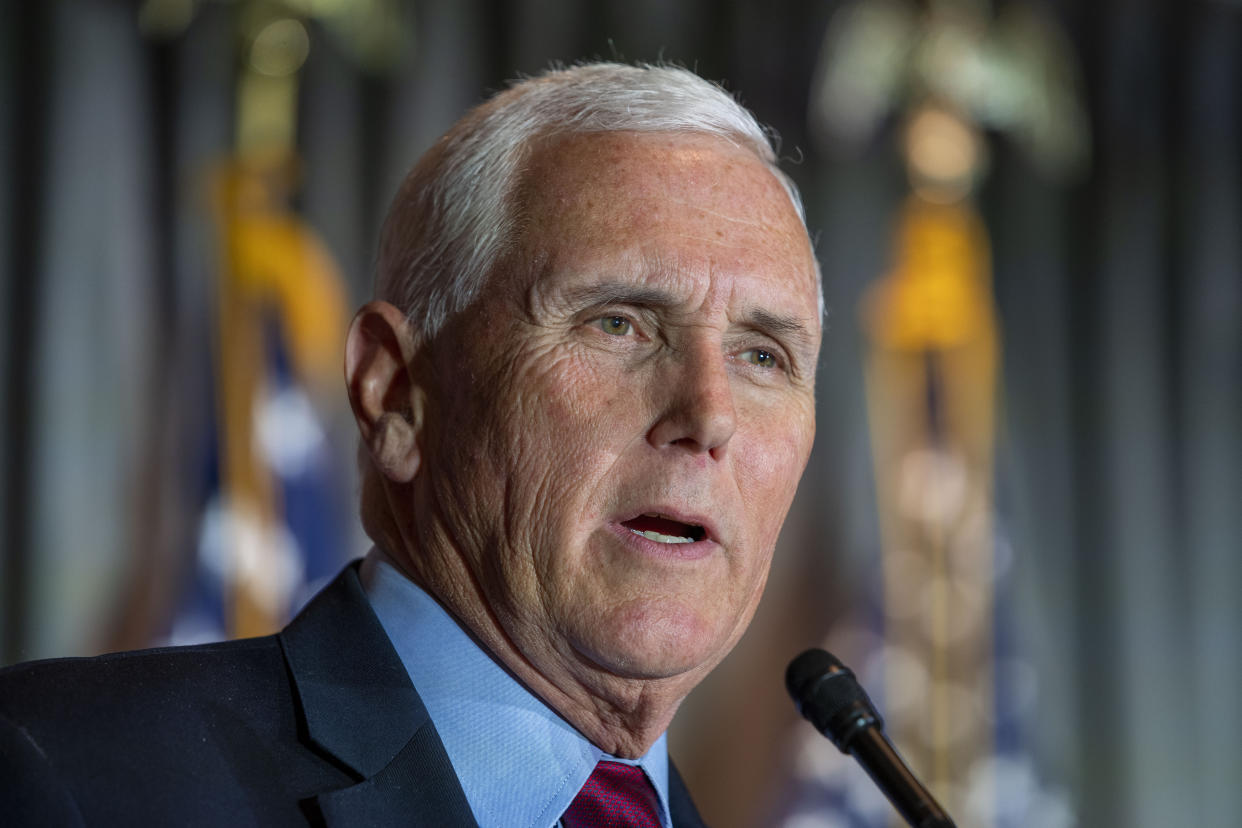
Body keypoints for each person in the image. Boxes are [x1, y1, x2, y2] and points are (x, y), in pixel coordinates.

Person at [0, 62, 823, 827]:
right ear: (394, 392)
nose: (708, 414)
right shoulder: (58, 774)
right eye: (618, 323)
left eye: (763, 355)